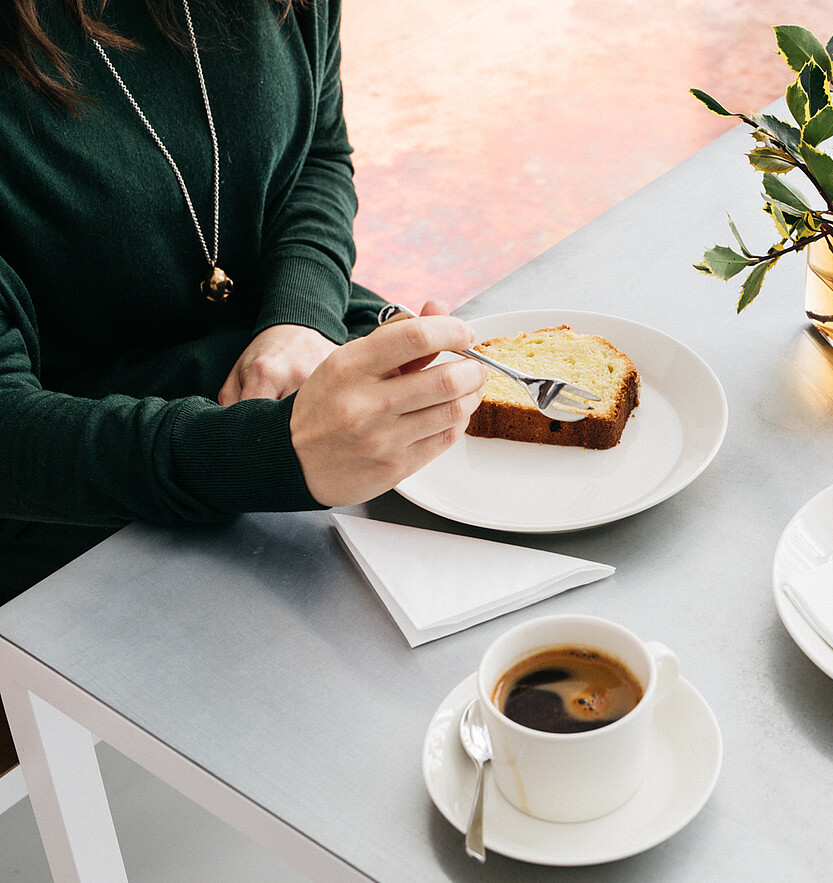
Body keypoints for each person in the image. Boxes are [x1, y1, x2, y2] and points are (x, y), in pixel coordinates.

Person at [0, 0, 486, 772]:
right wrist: (268, 454)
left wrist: (301, 317)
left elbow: (318, 151)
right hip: (77, 492)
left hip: (288, 379)